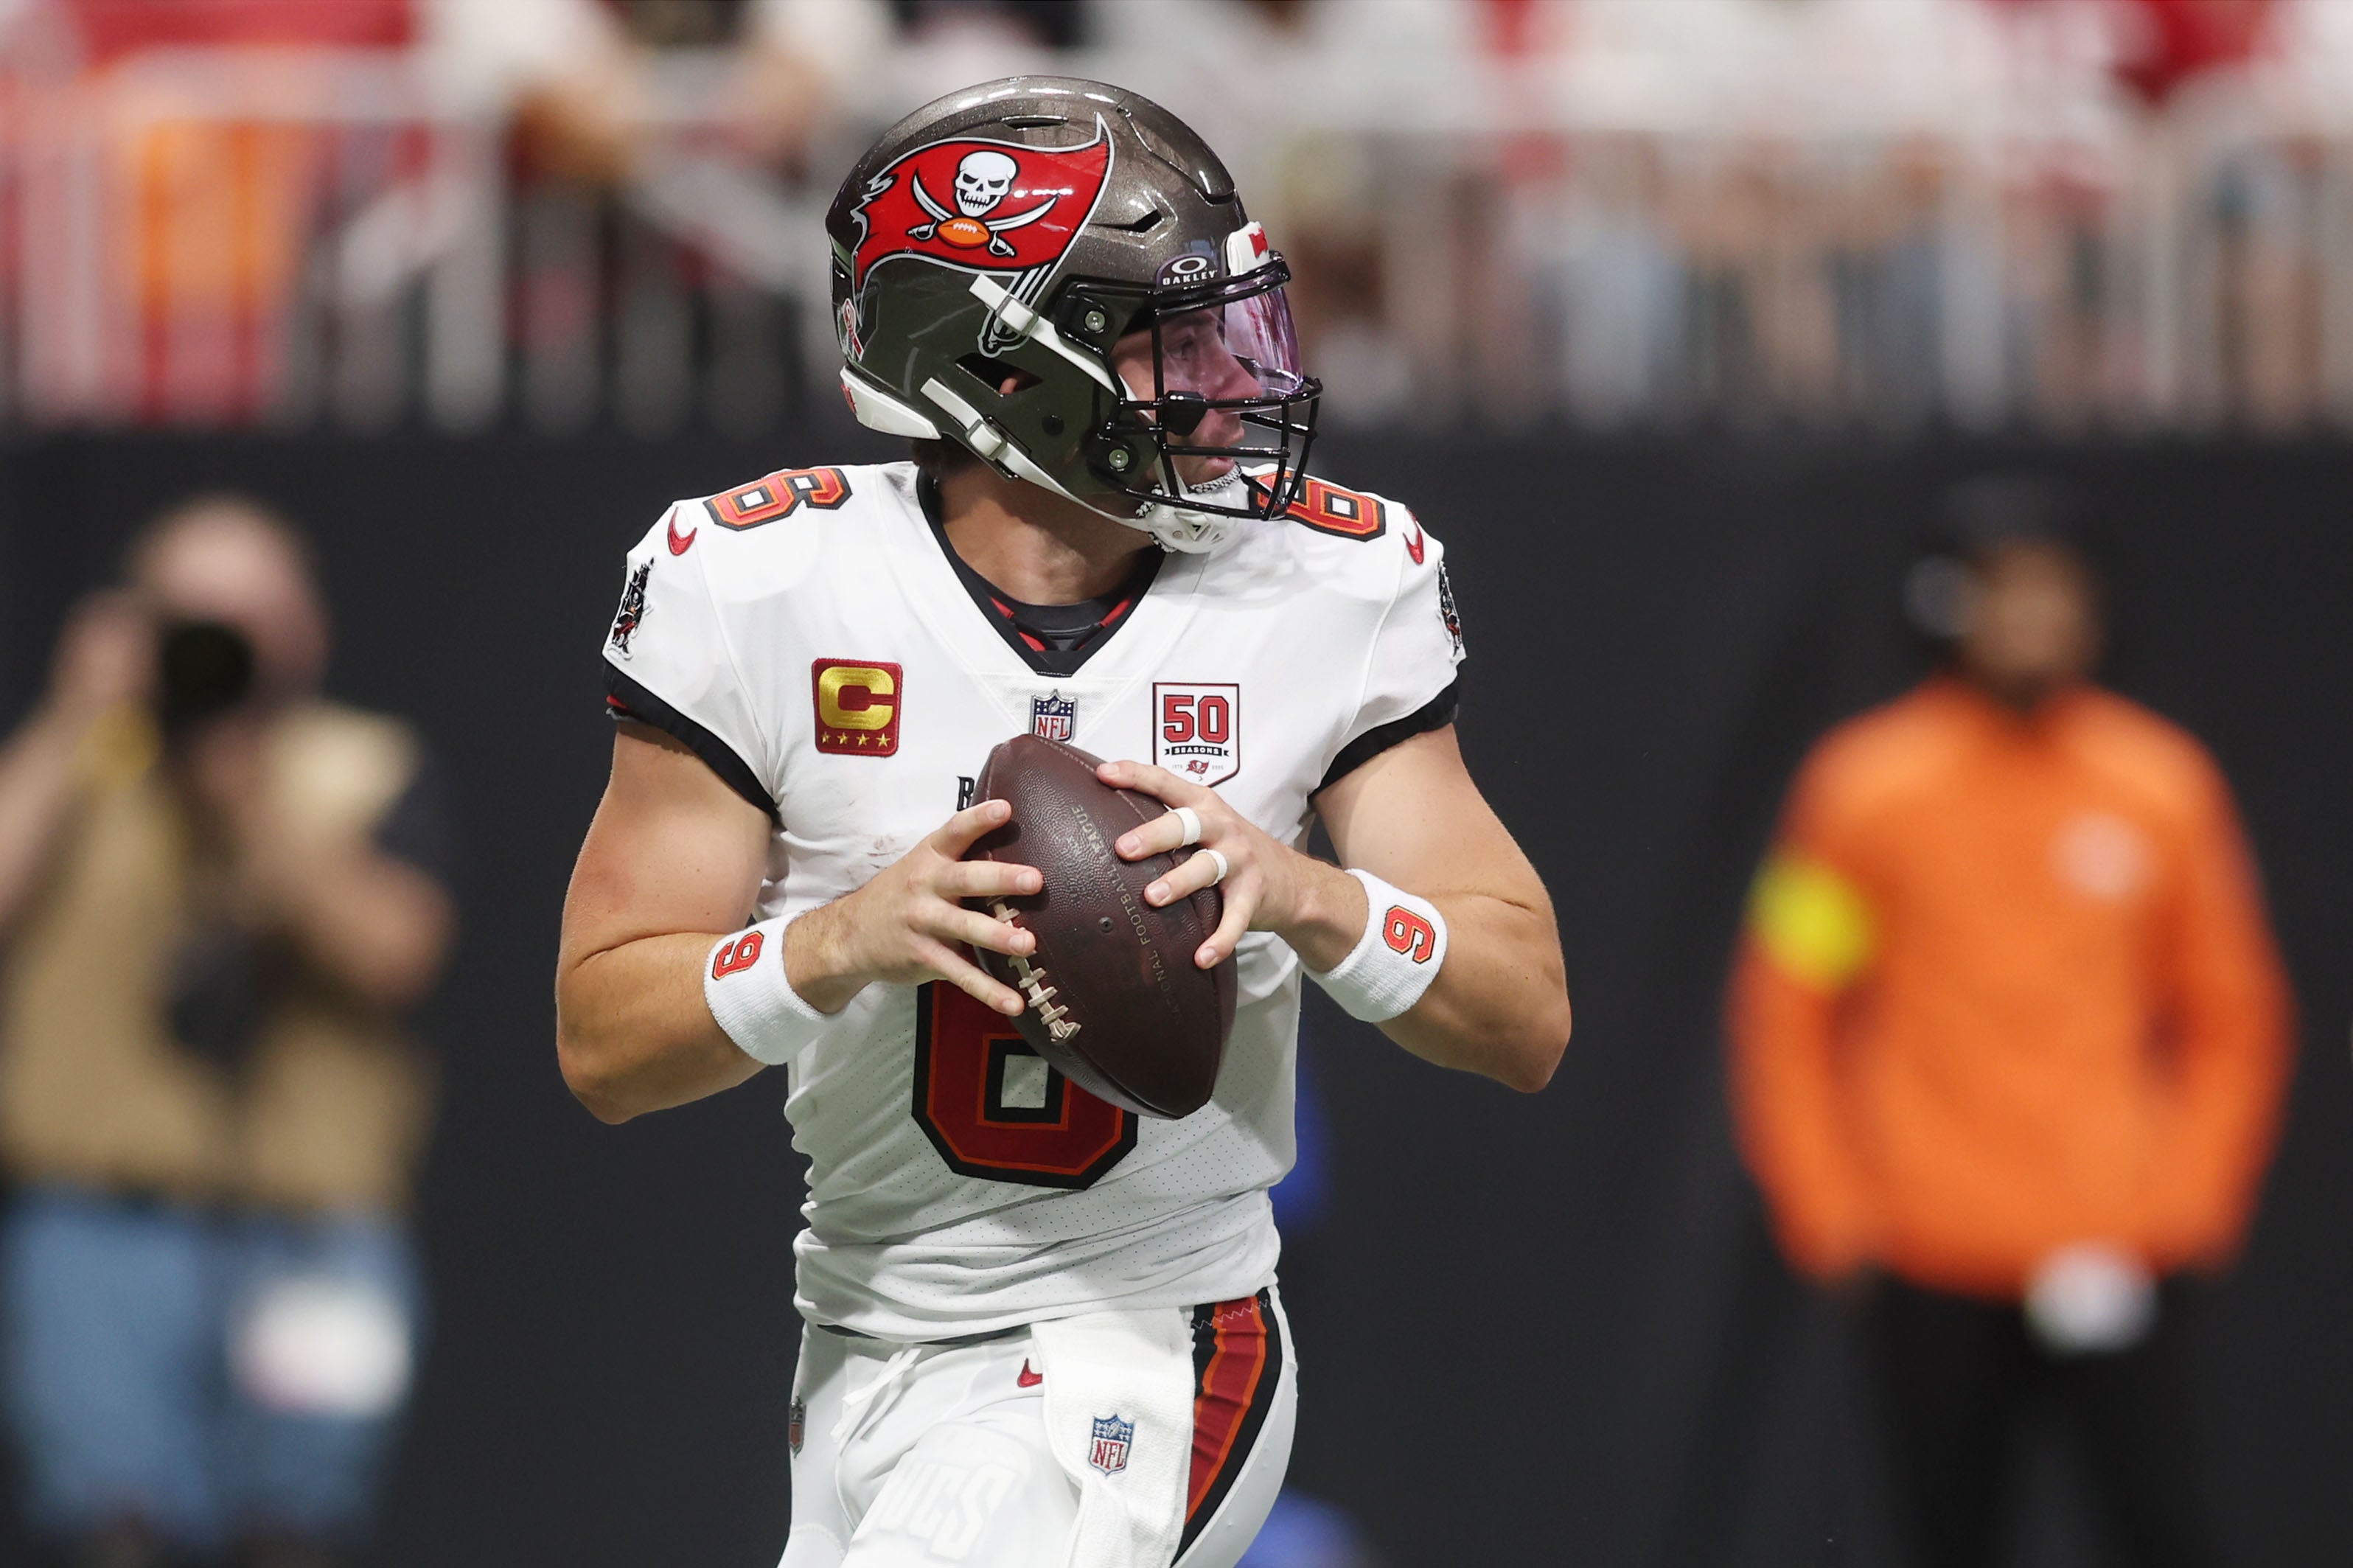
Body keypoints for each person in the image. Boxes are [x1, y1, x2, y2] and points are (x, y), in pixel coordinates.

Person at [556, 77, 1571, 1568]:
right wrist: (839, 940)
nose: (1230, 381)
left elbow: (1525, 1010)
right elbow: (603, 1041)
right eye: (1173, 342)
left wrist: (1301, 893)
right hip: (861, 1337)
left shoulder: (1328, 588)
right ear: (1005, 369)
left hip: (1152, 1336)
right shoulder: (761, 584)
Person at [1726, 487, 2292, 1568]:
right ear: (1950, 605)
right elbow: (1787, 1012)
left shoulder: (2161, 789)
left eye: (2057, 590)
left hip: (2116, 1241)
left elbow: (2235, 1017)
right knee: (1945, 1535)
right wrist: (1830, 1211)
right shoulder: (1861, 793)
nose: (2034, 617)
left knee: (2165, 1527)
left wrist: (2190, 1199)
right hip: (1931, 1252)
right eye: (2008, 589)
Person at [0, 497, 454, 1568]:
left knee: (298, 1535)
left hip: (312, 1234)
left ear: (307, 632)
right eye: (187, 620)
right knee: (110, 1531)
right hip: (101, 1222)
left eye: (247, 618)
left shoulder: (364, 768)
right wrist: (72, 723)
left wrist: (247, 801)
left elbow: (398, 954)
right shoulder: (78, 771)